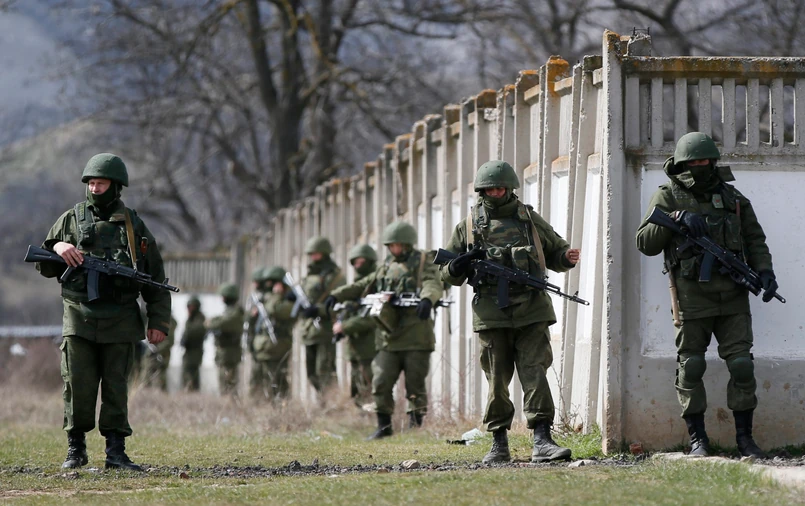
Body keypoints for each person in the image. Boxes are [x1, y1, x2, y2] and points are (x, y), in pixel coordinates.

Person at [636, 132, 777, 458]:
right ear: (683, 164)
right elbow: (644, 242)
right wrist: (675, 218)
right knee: (692, 365)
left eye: (706, 161)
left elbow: (754, 239)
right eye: (695, 161)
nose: (701, 166)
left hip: (733, 295)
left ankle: (745, 439)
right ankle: (698, 439)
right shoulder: (668, 196)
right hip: (690, 297)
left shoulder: (731, 197)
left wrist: (765, 272)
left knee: (742, 365)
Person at [35, 153, 172, 471]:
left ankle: (116, 451)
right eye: (92, 183)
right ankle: (76, 448)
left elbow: (154, 277)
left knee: (116, 387)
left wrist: (158, 320)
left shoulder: (134, 226)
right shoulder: (71, 219)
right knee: (77, 383)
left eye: (102, 183)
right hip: (79, 317)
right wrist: (58, 247)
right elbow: (43, 263)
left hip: (121, 318)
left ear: (116, 186)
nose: (95, 188)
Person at [440, 160, 580, 464]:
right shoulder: (469, 225)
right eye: (490, 189)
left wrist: (565, 257)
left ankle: (542, 440)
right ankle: (498, 443)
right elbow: (446, 273)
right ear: (482, 191)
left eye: (500, 188)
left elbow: (555, 250)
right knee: (496, 380)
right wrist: (456, 265)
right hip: (491, 313)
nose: (495, 193)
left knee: (535, 372)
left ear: (510, 188)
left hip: (532, 309)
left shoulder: (527, 219)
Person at [325, 222, 442, 439]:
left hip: (416, 336)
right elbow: (363, 284)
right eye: (391, 246)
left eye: (398, 245)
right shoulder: (386, 266)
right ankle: (384, 426)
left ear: (407, 244)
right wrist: (337, 295)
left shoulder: (423, 261)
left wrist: (427, 299)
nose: (394, 249)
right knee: (380, 381)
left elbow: (433, 283)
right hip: (389, 336)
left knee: (415, 384)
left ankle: (415, 427)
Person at [296, 236, 344, 395]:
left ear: (325, 253)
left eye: (316, 253)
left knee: (325, 371)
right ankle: (325, 402)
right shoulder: (309, 276)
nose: (313, 257)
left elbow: (341, 303)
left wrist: (319, 310)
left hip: (325, 330)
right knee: (312, 375)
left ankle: (332, 403)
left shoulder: (334, 276)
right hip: (309, 331)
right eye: (311, 254)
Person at [332, 244, 379, 406]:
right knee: (357, 388)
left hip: (371, 345)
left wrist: (345, 326)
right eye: (355, 262)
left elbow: (373, 318)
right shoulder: (355, 286)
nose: (358, 266)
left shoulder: (376, 284)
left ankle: (370, 416)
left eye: (362, 262)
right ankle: (361, 415)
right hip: (355, 346)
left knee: (369, 387)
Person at [248, 266, 295, 401]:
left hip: (278, 346)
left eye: (273, 283)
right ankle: (260, 404)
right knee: (261, 378)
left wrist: (276, 295)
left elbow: (274, 309)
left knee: (276, 379)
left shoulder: (288, 299)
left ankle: (281, 404)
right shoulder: (267, 298)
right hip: (264, 347)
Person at [207, 283, 245, 397]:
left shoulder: (235, 312)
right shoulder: (228, 311)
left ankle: (230, 402)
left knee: (229, 381)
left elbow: (223, 323)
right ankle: (226, 401)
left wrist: (212, 323)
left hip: (230, 353)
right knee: (223, 381)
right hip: (224, 352)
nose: (222, 299)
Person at [141, 314, 177, 391]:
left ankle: (162, 394)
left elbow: (169, 341)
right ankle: (146, 393)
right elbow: (146, 334)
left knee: (161, 377)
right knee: (146, 374)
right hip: (151, 352)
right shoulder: (152, 318)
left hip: (162, 353)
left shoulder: (170, 321)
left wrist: (158, 350)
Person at [181, 295, 206, 391]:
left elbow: (194, 331)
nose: (189, 309)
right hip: (189, 350)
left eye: (192, 307)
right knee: (186, 371)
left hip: (195, 350)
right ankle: (188, 389)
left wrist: (187, 337)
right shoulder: (190, 319)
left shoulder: (199, 319)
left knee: (192, 373)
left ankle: (192, 390)